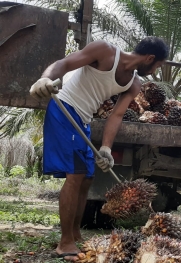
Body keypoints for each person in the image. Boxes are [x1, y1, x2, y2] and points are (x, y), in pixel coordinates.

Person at [30, 37, 169, 262]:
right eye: (157, 66)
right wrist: (46, 79)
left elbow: (116, 115)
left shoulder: (134, 83)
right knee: (75, 176)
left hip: (83, 121)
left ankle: (75, 234)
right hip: (64, 109)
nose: (154, 71)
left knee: (86, 178)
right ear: (150, 58)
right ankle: (64, 242)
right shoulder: (104, 51)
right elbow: (64, 63)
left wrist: (105, 148)